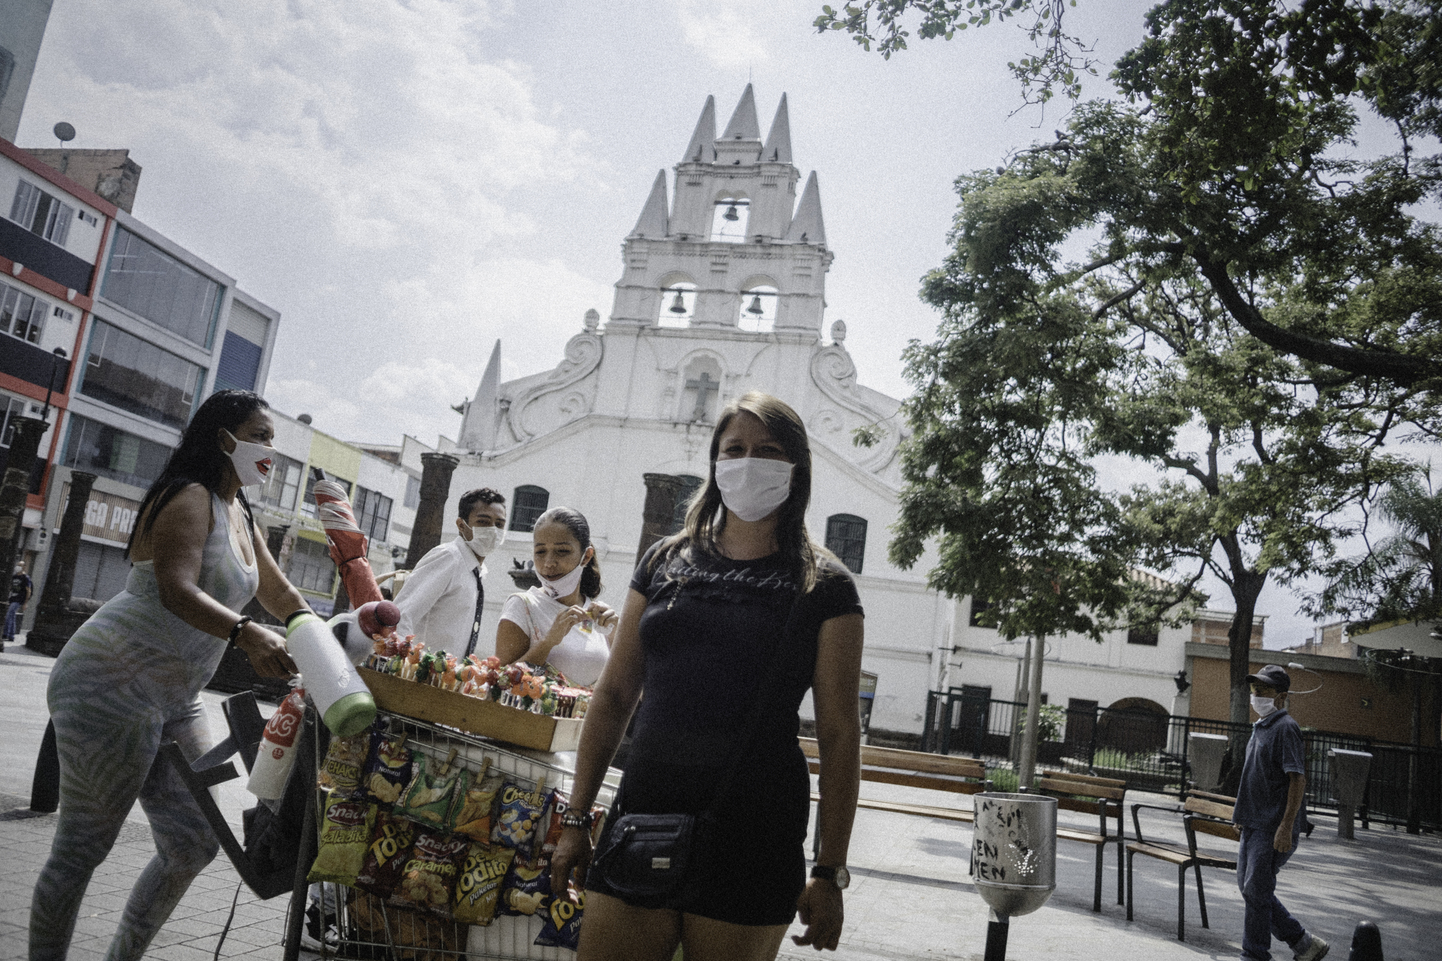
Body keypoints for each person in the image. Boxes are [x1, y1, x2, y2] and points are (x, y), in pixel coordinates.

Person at [551, 391, 865, 961]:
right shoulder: (663, 561)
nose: (749, 461)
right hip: (643, 814)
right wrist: (576, 817)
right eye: (735, 448)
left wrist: (830, 870)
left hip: (755, 833)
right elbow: (616, 693)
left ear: (797, 467)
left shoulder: (827, 585)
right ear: (716, 463)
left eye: (768, 450)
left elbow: (840, 735)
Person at [30, 390, 306, 961]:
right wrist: (247, 633)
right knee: (83, 848)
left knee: (192, 843)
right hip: (111, 681)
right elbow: (175, 589)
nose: (269, 451)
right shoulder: (189, 496)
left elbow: (280, 594)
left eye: (273, 439)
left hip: (176, 698)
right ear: (223, 437)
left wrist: (324, 636)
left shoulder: (239, 510)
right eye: (260, 436)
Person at [1234, 664, 1329, 961]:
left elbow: (1297, 778)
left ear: (1281, 696)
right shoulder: (1261, 726)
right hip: (1253, 823)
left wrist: (1286, 827)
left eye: (1264, 690)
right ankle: (1303, 943)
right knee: (1250, 889)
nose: (1256, 694)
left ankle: (1255, 954)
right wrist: (1242, 815)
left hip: (1272, 827)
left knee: (1255, 889)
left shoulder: (1285, 727)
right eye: (1254, 689)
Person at [496, 506, 617, 687]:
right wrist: (548, 642)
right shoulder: (522, 606)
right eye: (541, 552)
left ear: (586, 556)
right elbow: (500, 683)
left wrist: (618, 633)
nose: (549, 563)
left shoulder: (599, 616)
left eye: (562, 551)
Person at [394, 488, 506, 659]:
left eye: (499, 524)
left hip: (442, 681)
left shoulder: (476, 571)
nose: (493, 530)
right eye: (483, 522)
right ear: (461, 525)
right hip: (418, 676)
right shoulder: (448, 558)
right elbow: (401, 616)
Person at [3, 558, 33, 650]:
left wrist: (25, 603)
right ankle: (10, 635)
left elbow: (28, 590)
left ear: (24, 567)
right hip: (12, 598)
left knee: (10, 614)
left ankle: (7, 634)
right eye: (17, 565)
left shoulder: (25, 578)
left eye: (20, 565)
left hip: (19, 599)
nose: (18, 567)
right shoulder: (14, 577)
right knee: (11, 616)